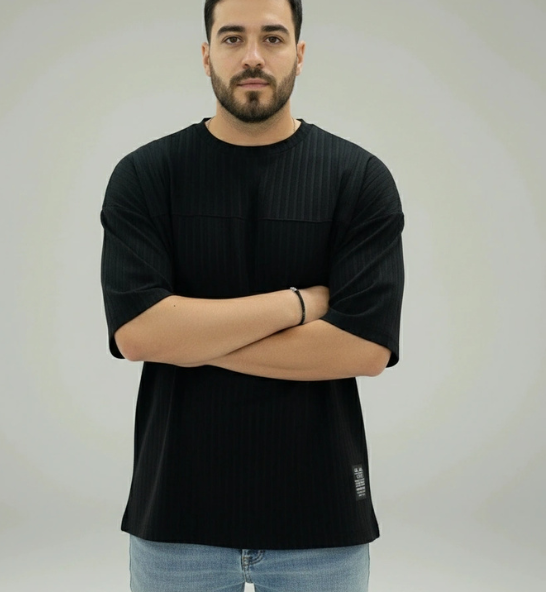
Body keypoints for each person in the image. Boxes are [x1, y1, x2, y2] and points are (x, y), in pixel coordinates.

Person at [99, 0, 405, 590]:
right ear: (207, 53)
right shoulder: (146, 176)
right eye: (233, 38)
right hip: (175, 521)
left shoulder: (357, 179)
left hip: (322, 522)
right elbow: (137, 335)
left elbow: (364, 350)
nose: (254, 57)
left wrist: (188, 340)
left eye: (273, 37)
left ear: (300, 53)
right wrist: (299, 305)